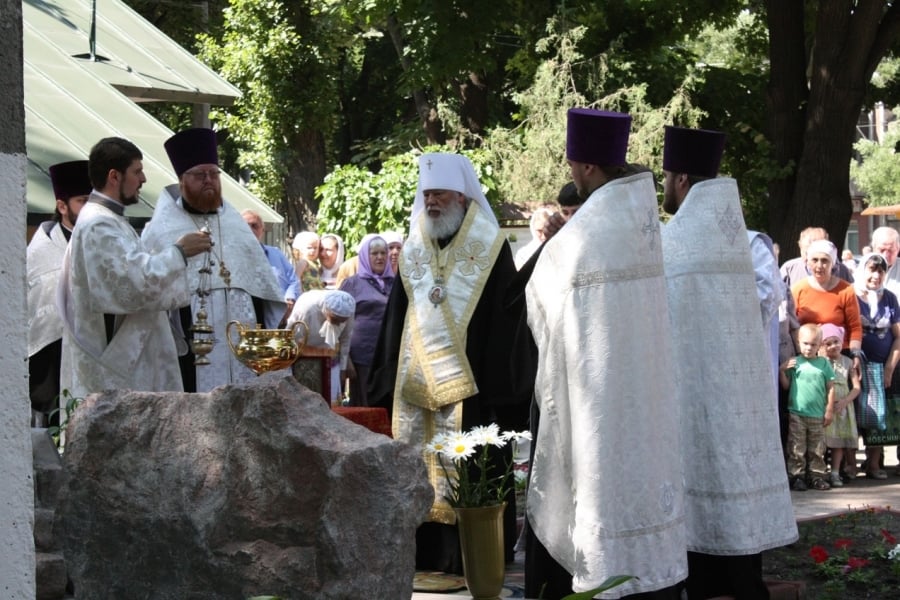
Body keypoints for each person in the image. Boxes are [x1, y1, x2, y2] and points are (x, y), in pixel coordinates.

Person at [524, 110, 686, 599]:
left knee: (593, 484)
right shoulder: (643, 223)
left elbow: (537, 299)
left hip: (597, 399)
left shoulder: (586, 233)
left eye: (575, 164)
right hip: (646, 395)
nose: (572, 172)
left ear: (589, 168)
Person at [368, 152, 530, 575]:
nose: (432, 202)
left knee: (471, 468)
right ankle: (423, 557)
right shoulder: (415, 247)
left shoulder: (490, 247)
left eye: (439, 193)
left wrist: (501, 391)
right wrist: (386, 379)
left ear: (461, 195)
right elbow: (396, 317)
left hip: (471, 389)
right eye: (427, 194)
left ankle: (469, 560)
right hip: (415, 393)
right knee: (418, 467)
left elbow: (505, 323)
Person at [660, 125, 797, 599]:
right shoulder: (750, 244)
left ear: (680, 181)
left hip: (694, 400)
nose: (664, 185)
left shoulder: (669, 242)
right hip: (739, 400)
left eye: (666, 176)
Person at [57, 137, 213, 401]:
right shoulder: (98, 224)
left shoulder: (109, 219)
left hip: (128, 358)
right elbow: (129, 286)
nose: (143, 179)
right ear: (114, 176)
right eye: (137, 171)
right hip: (116, 364)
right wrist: (179, 252)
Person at [141, 128, 286, 392]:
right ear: (182, 180)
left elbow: (262, 287)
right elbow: (152, 289)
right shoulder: (160, 230)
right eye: (200, 175)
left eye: (214, 174)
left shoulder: (236, 225)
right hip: (191, 340)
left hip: (242, 336)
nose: (209, 181)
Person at [28, 160, 91, 426]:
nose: (90, 209)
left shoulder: (108, 238)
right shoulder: (39, 253)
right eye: (82, 201)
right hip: (53, 361)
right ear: (62, 206)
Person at [853, 252, 900, 479]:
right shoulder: (851, 295)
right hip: (857, 365)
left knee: (878, 415)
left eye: (881, 271)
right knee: (853, 416)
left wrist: (890, 368)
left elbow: (899, 336)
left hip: (883, 367)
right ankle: (850, 464)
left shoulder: (890, 298)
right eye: (872, 270)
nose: (876, 275)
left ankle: (873, 463)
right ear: (863, 271)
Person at [779, 323, 836, 491]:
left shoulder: (824, 364)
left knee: (817, 448)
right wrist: (781, 371)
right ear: (798, 342)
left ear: (820, 345)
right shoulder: (794, 362)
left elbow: (831, 387)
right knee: (796, 447)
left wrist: (829, 409)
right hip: (797, 413)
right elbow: (786, 386)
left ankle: (817, 476)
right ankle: (797, 476)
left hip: (817, 414)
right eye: (805, 343)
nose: (809, 348)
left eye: (813, 344)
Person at [339, 234, 394, 406]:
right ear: (365, 256)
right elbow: (339, 322)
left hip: (388, 355)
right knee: (364, 403)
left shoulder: (396, 283)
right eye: (374, 253)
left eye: (383, 253)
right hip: (362, 356)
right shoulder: (352, 284)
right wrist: (344, 358)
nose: (380, 257)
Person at [790, 239, 862, 355]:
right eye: (815, 260)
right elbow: (791, 325)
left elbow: (855, 327)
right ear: (808, 262)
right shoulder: (798, 289)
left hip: (838, 355)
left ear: (832, 263)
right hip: (807, 354)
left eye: (824, 261)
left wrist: (855, 354)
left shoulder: (846, 290)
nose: (819, 265)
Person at [286, 289, 355, 404]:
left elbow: (345, 338)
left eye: (342, 321)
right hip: (303, 359)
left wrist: (343, 367)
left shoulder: (350, 305)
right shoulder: (306, 309)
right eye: (336, 320)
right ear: (326, 311)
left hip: (330, 359)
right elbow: (293, 340)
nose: (338, 324)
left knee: (331, 401)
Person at [819, 323, 860, 487]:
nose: (832, 346)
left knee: (839, 443)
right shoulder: (821, 362)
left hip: (842, 408)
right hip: (824, 406)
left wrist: (845, 401)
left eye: (835, 341)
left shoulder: (848, 362)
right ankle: (820, 472)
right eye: (827, 343)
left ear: (842, 342)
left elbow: (856, 387)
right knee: (822, 441)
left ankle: (835, 472)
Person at [241, 209, 300, 322]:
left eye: (254, 226)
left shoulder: (276, 253)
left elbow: (293, 280)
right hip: (245, 315)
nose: (249, 229)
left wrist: (290, 298)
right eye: (245, 225)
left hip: (277, 315)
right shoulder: (230, 255)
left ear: (262, 230)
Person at [780, 226, 853, 287]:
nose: (809, 258)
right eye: (806, 252)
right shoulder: (789, 269)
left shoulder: (842, 271)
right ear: (800, 247)